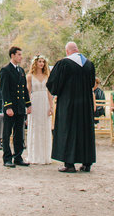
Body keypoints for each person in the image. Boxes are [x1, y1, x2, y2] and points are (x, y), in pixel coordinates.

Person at [46, 41, 97, 172]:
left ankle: (69, 164)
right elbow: (92, 84)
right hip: (85, 105)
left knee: (68, 130)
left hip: (68, 104)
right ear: (77, 49)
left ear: (67, 51)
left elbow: (53, 85)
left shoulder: (64, 64)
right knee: (85, 131)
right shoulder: (89, 64)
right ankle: (87, 163)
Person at [0, 45, 32, 168]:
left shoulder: (21, 70)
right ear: (12, 55)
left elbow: (24, 89)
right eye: (19, 54)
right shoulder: (5, 70)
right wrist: (8, 107)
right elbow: (4, 90)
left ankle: (18, 157)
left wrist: (28, 104)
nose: (21, 57)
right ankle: (7, 158)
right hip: (11, 108)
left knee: (19, 134)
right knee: (7, 134)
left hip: (20, 107)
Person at [24, 55, 54, 164]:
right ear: (35, 63)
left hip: (45, 102)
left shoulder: (47, 76)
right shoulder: (30, 76)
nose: (41, 63)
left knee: (44, 128)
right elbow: (27, 92)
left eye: (43, 62)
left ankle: (45, 156)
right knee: (35, 127)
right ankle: (34, 156)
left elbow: (49, 92)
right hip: (35, 101)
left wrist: (51, 107)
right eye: (39, 61)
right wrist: (27, 106)